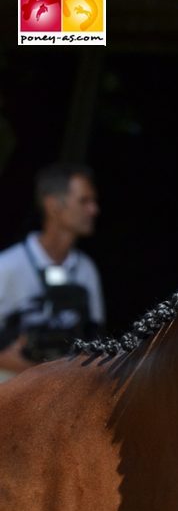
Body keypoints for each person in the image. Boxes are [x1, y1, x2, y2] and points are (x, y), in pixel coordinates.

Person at [0, 162, 105, 381]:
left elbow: (96, 339)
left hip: (61, 389)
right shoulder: (8, 266)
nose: (93, 210)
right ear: (53, 205)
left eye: (93, 201)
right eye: (83, 201)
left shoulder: (86, 270)